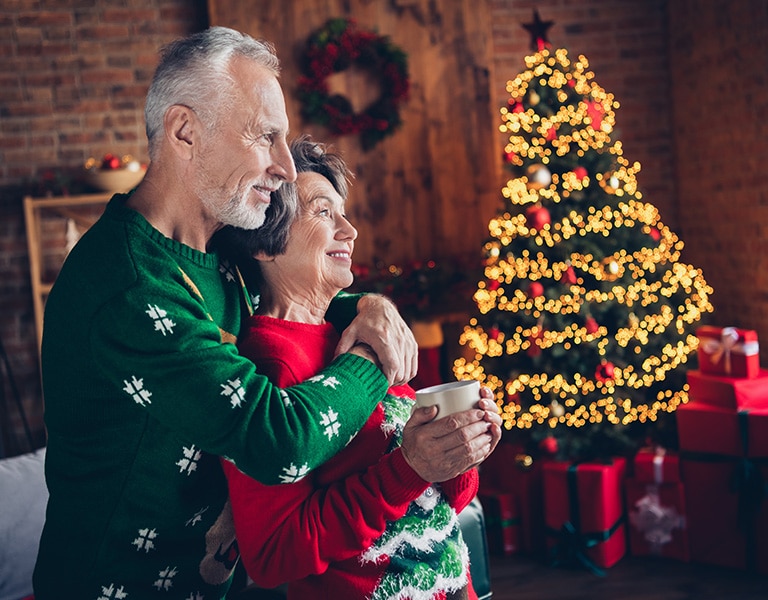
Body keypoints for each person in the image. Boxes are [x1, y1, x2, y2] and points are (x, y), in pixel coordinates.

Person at [32, 27, 498, 600]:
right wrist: (373, 355)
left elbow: (291, 296)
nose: (284, 166)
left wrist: (366, 304)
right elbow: (277, 442)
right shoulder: (128, 282)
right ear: (185, 132)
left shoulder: (216, 251)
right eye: (264, 136)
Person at [218, 136, 496, 600]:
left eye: (343, 213)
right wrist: (410, 468)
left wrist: (460, 451)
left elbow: (443, 499)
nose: (349, 230)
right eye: (323, 212)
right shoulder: (266, 363)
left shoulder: (364, 332)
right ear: (264, 243)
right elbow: (272, 556)